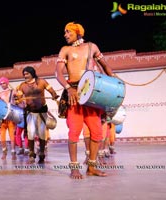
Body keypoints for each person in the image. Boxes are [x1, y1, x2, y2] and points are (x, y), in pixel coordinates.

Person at [55, 22, 114, 179]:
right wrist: (69, 88)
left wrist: (115, 81)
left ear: (77, 32)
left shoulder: (92, 47)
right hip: (74, 94)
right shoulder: (65, 50)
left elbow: (105, 65)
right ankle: (74, 168)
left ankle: (92, 167)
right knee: (74, 132)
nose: (65, 35)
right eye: (65, 32)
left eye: (68, 32)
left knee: (96, 132)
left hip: (91, 95)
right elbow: (58, 73)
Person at [15, 66, 59, 164]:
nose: (25, 76)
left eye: (27, 74)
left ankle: (42, 153)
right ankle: (31, 154)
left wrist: (54, 95)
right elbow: (18, 96)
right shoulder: (22, 85)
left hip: (42, 111)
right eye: (24, 74)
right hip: (30, 111)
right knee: (30, 133)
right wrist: (17, 99)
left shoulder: (42, 82)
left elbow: (51, 90)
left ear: (32, 73)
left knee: (41, 133)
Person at [0, 77, 17, 160]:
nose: (2, 85)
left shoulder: (13, 92)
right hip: (2, 118)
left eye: (3, 83)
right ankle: (4, 153)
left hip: (11, 116)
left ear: (7, 83)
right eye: (0, 84)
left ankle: (13, 153)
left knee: (12, 136)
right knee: (2, 137)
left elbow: (18, 100)